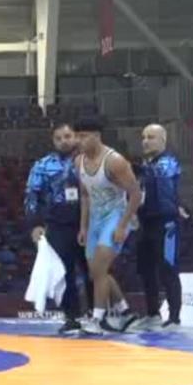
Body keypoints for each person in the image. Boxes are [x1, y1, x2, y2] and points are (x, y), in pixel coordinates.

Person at [74, 116, 141, 336]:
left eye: (83, 136)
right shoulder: (79, 161)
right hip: (95, 220)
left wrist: (122, 226)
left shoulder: (115, 161)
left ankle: (97, 320)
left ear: (97, 136)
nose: (79, 141)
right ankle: (125, 312)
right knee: (96, 272)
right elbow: (85, 195)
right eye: (77, 136)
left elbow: (135, 194)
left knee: (100, 269)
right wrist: (83, 227)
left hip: (116, 217)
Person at [25, 123, 93, 335]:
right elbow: (31, 196)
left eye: (67, 136)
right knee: (64, 273)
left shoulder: (89, 161)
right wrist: (35, 225)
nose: (64, 141)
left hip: (89, 224)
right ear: (53, 141)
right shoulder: (42, 165)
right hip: (57, 226)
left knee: (93, 271)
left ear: (75, 137)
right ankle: (71, 317)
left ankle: (97, 315)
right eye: (59, 138)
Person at [135, 124, 183, 330]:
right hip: (145, 222)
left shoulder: (169, 162)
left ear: (163, 140)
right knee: (145, 269)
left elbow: (161, 175)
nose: (146, 141)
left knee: (168, 268)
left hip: (166, 223)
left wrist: (134, 169)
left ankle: (174, 317)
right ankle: (152, 314)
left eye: (151, 137)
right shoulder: (146, 165)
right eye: (144, 137)